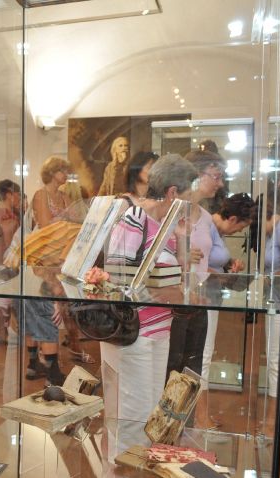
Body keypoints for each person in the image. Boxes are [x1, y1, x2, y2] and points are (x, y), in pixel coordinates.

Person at [100, 154, 195, 459]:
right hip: (135, 332)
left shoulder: (167, 224)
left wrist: (182, 239)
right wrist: (162, 289)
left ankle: (140, 470)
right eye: (188, 196)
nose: (191, 204)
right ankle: (124, 475)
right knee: (134, 413)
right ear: (172, 192)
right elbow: (117, 280)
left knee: (153, 408)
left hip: (160, 328)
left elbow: (182, 276)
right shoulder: (134, 219)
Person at [163, 149, 225, 393]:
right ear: (197, 175)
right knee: (172, 367)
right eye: (215, 176)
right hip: (173, 303)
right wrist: (180, 256)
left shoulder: (206, 217)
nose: (220, 183)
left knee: (193, 367)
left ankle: (186, 413)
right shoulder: (171, 212)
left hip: (197, 299)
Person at [198, 192, 256, 428]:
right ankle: (200, 416)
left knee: (206, 355)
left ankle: (200, 414)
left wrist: (229, 266)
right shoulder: (206, 226)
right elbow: (197, 265)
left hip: (211, 297)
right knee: (203, 357)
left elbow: (210, 261)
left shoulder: (216, 231)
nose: (239, 231)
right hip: (203, 299)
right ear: (232, 219)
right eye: (241, 226)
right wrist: (223, 275)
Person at [25, 156, 73, 384]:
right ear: (52, 172)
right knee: (45, 310)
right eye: (62, 170)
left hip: (59, 257)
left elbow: (73, 224)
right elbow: (45, 227)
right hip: (43, 258)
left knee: (50, 309)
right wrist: (65, 226)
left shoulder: (65, 197)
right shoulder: (40, 195)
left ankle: (38, 363)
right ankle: (47, 368)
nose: (65, 174)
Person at [0, 178, 22, 343]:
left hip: (0, 257)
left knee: (8, 293)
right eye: (17, 194)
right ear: (9, 194)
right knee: (8, 294)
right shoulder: (4, 212)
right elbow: (8, 238)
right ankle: (3, 332)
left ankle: (5, 331)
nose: (19, 198)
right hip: (5, 258)